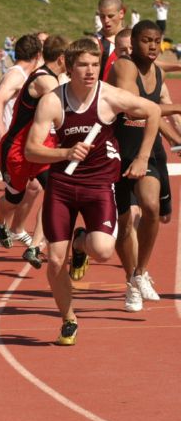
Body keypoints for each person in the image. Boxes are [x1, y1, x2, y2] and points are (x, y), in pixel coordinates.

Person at [24, 38, 159, 346]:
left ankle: (81, 243)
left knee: (103, 250)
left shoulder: (109, 97)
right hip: (62, 186)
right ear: (69, 68)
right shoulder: (53, 101)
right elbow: (31, 150)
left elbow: (152, 111)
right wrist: (65, 153)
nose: (89, 71)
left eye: (95, 65)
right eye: (83, 65)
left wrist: (141, 158)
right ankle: (68, 318)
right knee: (56, 261)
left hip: (99, 184)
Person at [108, 21, 181, 312]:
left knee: (151, 208)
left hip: (146, 153)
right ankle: (130, 281)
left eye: (157, 41)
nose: (152, 46)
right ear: (134, 41)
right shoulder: (124, 67)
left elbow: (167, 67)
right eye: (146, 41)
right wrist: (176, 108)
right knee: (124, 225)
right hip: (118, 153)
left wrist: (175, 138)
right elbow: (133, 106)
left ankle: (140, 273)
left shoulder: (158, 69)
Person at [0, 35, 68, 268]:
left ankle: (34, 247)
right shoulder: (44, 80)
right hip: (17, 150)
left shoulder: (56, 76)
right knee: (12, 200)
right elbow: (64, 102)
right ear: (63, 58)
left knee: (55, 191)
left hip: (40, 148)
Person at [0, 34, 43, 249]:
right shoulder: (16, 75)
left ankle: (17, 227)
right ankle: (0, 220)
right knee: (17, 194)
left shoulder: (23, 74)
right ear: (37, 56)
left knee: (34, 186)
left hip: (14, 142)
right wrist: (2, 135)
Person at [96, 0, 127, 82]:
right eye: (102, 16)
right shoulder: (96, 42)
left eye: (110, 16)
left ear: (121, 13)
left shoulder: (133, 38)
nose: (106, 21)